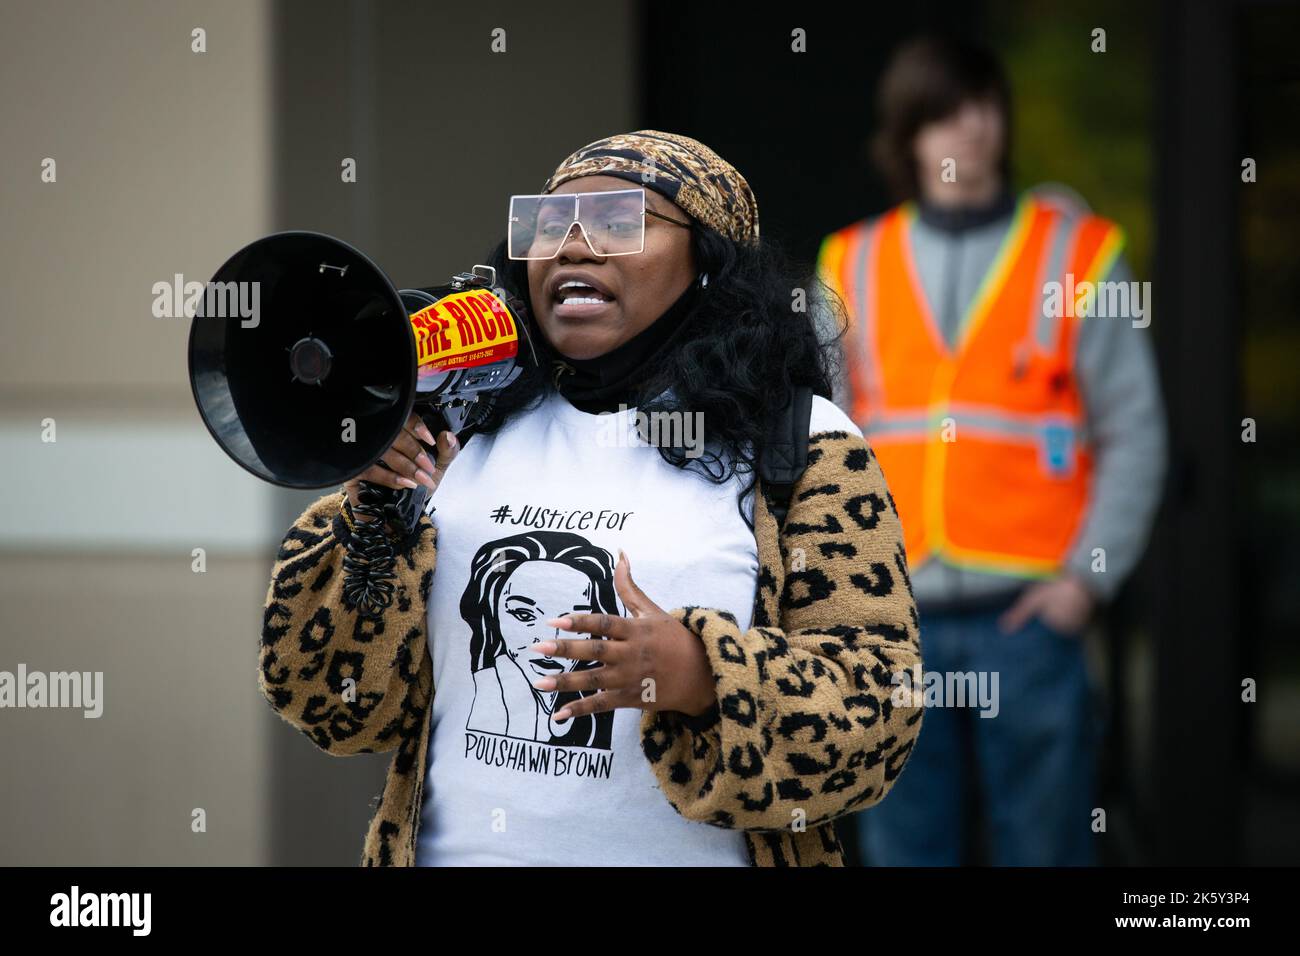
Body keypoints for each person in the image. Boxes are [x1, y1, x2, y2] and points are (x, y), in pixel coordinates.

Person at [259, 130, 924, 866]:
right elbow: (329, 703)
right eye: (547, 225)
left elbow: (879, 714)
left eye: (617, 222)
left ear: (708, 262)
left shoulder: (801, 442)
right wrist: (374, 519)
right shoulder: (463, 423)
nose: (572, 246)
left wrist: (702, 680)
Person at [816, 38, 1166, 866]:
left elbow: (1136, 432)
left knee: (1044, 852)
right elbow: (825, 448)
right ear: (906, 137)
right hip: (895, 624)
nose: (968, 129)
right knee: (905, 852)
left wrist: (1086, 583)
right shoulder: (850, 261)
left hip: (1032, 621)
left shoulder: (1079, 254)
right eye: (942, 113)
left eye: (983, 106)